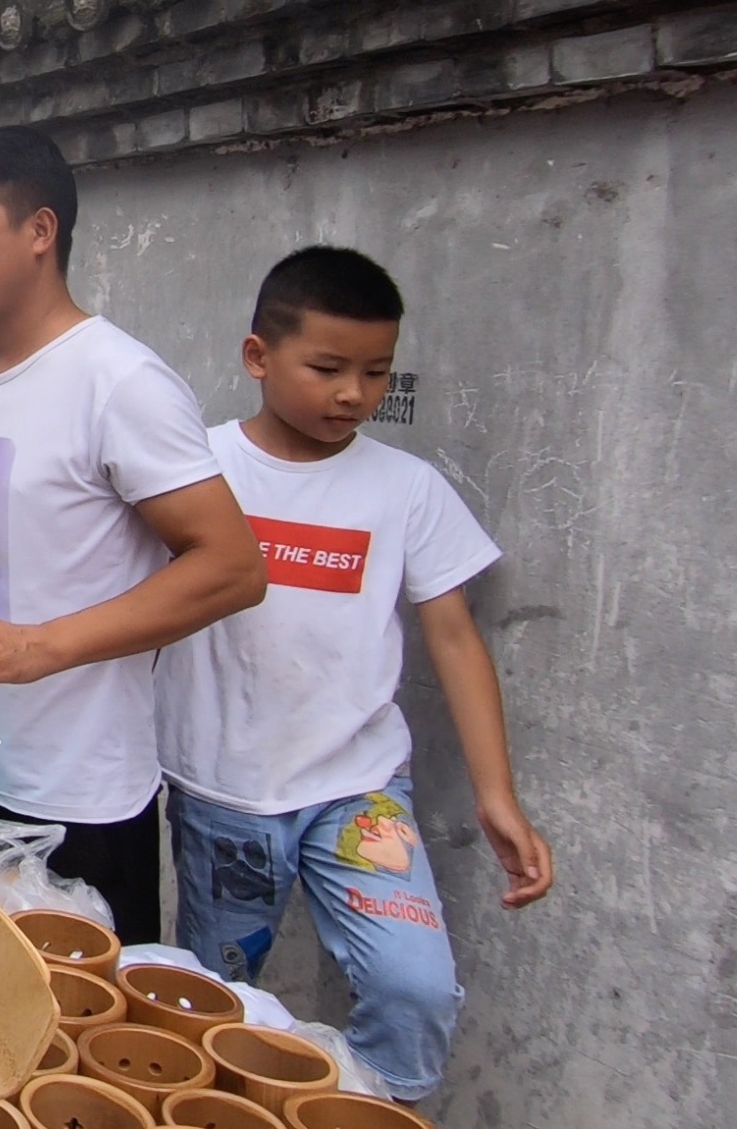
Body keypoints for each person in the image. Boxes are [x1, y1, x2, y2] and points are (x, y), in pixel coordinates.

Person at [0, 127, 265, 943]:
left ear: (40, 231)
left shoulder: (119, 382)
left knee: (68, 1047)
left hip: (79, 800)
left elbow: (231, 568)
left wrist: (45, 646)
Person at [156, 246, 554, 1100]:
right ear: (257, 356)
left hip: (360, 791)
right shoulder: (198, 469)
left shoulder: (405, 489)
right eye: (329, 368)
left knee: (416, 989)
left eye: (377, 373)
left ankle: (368, 1111)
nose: (354, 394)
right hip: (224, 794)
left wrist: (497, 796)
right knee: (222, 1009)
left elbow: (453, 638)